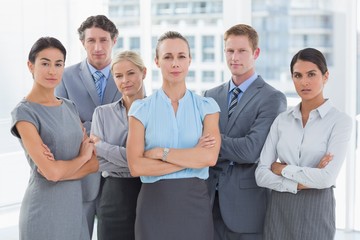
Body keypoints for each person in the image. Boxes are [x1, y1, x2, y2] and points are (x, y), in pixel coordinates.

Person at [126, 31, 221, 240]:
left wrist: (162, 152)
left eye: (181, 56)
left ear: (189, 61)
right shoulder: (141, 109)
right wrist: (192, 158)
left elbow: (209, 158)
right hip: (154, 205)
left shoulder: (207, 107)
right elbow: (136, 166)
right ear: (157, 61)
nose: (175, 63)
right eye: (168, 57)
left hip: (194, 204)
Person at [255, 47, 353, 240]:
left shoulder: (340, 121)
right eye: (298, 75)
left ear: (325, 76)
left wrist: (282, 169)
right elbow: (261, 175)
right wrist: (306, 180)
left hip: (316, 210)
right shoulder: (281, 121)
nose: (304, 82)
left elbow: (326, 179)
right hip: (279, 211)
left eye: (311, 74)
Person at [204, 24, 287, 240]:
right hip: (209, 203)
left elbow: (251, 150)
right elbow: (199, 149)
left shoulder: (272, 98)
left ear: (256, 53)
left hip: (247, 208)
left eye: (242, 51)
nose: (234, 57)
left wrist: (212, 140)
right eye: (230, 51)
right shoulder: (210, 95)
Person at [10, 37, 98, 240]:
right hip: (43, 211)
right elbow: (55, 171)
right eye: (45, 63)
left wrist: (59, 171)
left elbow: (93, 165)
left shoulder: (69, 106)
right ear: (30, 65)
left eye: (58, 64)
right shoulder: (24, 113)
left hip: (75, 210)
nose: (52, 71)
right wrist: (81, 158)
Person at [55, 15, 121, 237]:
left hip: (118, 175)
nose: (98, 47)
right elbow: (63, 125)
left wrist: (86, 124)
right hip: (80, 175)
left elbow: (135, 125)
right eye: (91, 40)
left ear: (114, 40)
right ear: (83, 43)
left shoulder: (129, 76)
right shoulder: (65, 77)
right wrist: (108, 126)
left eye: (103, 40)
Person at [90, 50, 145, 240]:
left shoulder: (159, 111)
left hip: (150, 194)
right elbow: (98, 162)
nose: (125, 80)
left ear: (143, 73)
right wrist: (139, 160)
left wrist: (102, 146)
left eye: (131, 73)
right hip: (113, 197)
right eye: (119, 75)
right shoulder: (102, 114)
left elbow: (150, 159)